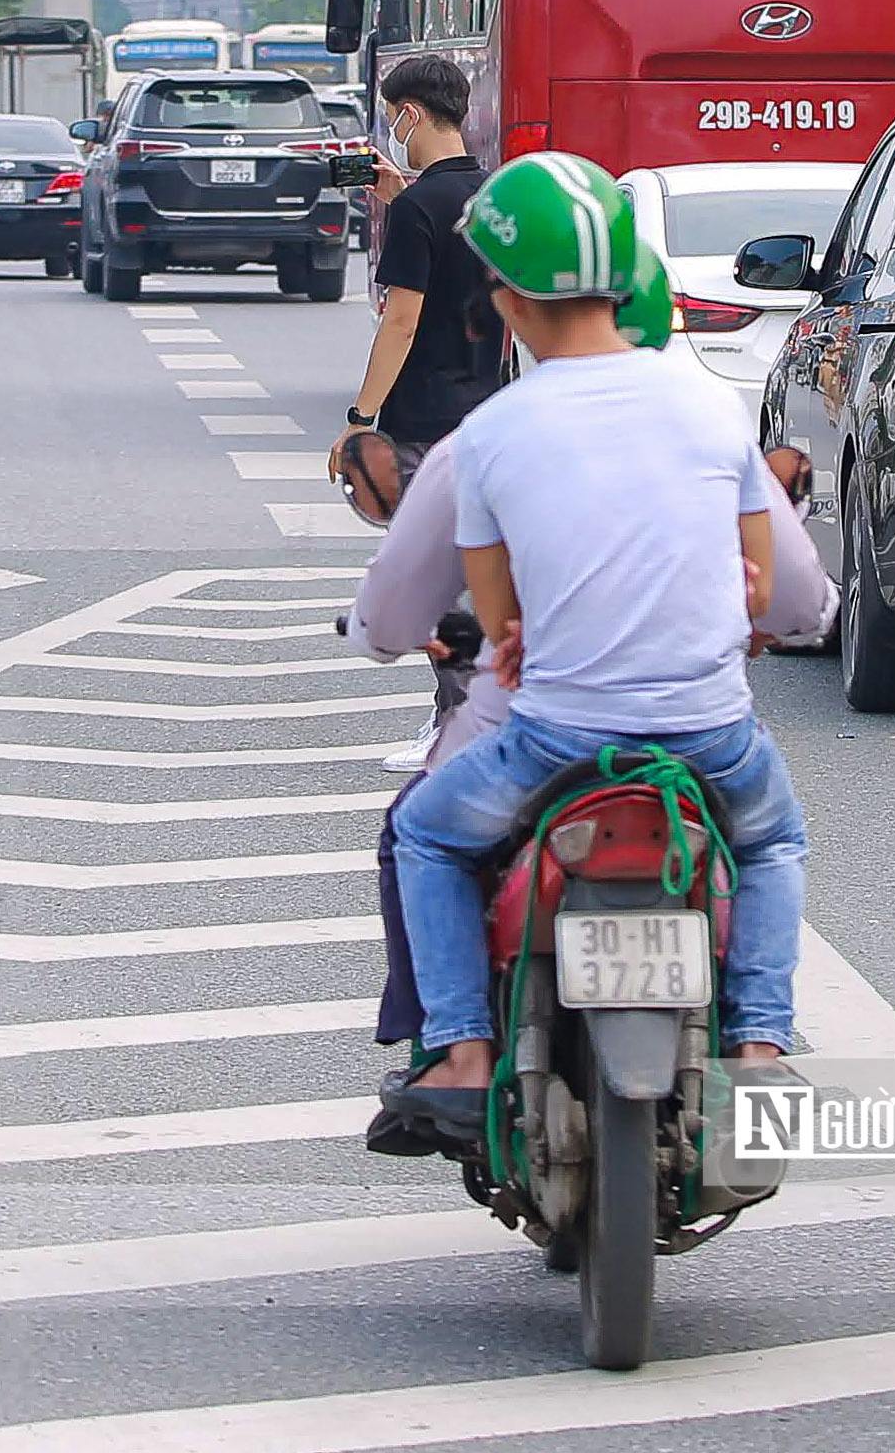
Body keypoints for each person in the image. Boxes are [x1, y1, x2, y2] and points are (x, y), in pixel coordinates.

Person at [340, 243, 835, 1142]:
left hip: (554, 737)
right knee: (771, 843)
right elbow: (786, 598)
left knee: (423, 834)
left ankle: (459, 1049)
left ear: (508, 304)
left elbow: (486, 624)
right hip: (709, 733)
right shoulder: (711, 415)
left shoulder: (489, 436)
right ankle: (760, 1046)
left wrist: (508, 635)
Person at [331, 55, 499, 485]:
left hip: (423, 421)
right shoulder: (492, 195)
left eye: (391, 122)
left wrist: (360, 419)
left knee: (422, 545)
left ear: (411, 114)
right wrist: (402, 197)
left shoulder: (417, 208)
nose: (392, 136)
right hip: (485, 411)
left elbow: (401, 323)